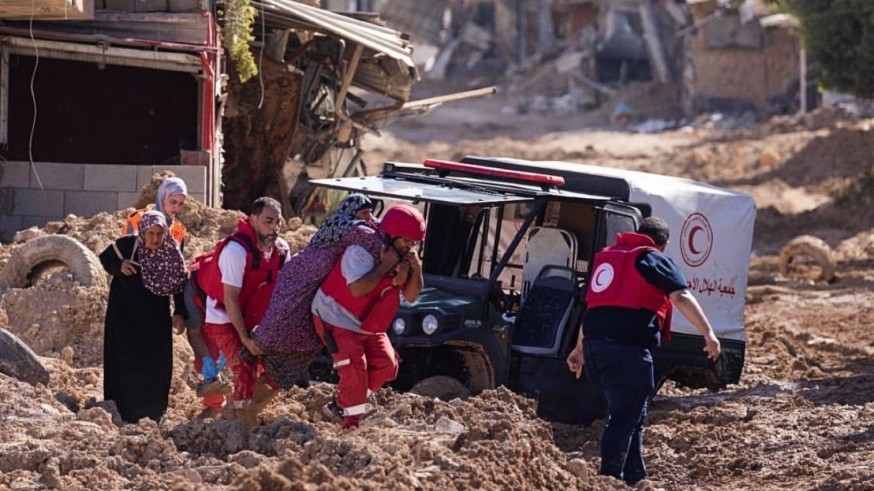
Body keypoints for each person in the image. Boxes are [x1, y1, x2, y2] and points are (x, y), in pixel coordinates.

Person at [566, 216, 721, 486]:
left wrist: (579, 349)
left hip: (595, 349)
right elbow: (681, 296)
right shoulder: (654, 259)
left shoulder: (608, 259)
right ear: (664, 244)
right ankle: (610, 480)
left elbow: (594, 305)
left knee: (633, 413)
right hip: (627, 352)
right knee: (623, 418)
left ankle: (636, 477)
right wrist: (708, 333)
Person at [250, 194, 377, 396]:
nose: (368, 217)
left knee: (303, 337)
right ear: (352, 212)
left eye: (370, 213)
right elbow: (374, 240)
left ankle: (259, 388)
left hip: (303, 279)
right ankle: (250, 377)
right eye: (364, 212)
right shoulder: (349, 227)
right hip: (300, 279)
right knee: (282, 324)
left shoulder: (339, 223)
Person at [312, 204, 425, 429]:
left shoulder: (404, 258)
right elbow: (358, 289)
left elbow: (412, 296)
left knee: (387, 364)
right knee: (355, 370)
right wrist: (385, 267)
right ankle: (350, 426)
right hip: (335, 317)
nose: (410, 246)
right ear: (392, 235)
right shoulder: (360, 251)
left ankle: (341, 405)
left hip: (367, 323)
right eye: (406, 240)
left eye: (414, 242)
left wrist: (416, 268)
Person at [197, 197, 289, 427]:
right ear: (253, 219)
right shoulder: (236, 251)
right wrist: (246, 340)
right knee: (244, 365)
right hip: (224, 317)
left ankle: (237, 411)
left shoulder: (282, 251)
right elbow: (230, 299)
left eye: (278, 222)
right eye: (268, 221)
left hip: (256, 316)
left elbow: (283, 295)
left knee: (283, 367)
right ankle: (240, 428)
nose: (274, 228)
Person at [100, 211, 188, 423]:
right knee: (124, 362)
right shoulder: (128, 246)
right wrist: (119, 267)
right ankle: (121, 411)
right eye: (150, 234)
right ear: (143, 232)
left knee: (156, 364)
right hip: (124, 318)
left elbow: (179, 285)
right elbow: (105, 258)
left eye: (159, 234)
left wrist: (180, 313)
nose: (155, 239)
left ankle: (153, 412)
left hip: (155, 320)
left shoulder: (171, 254)